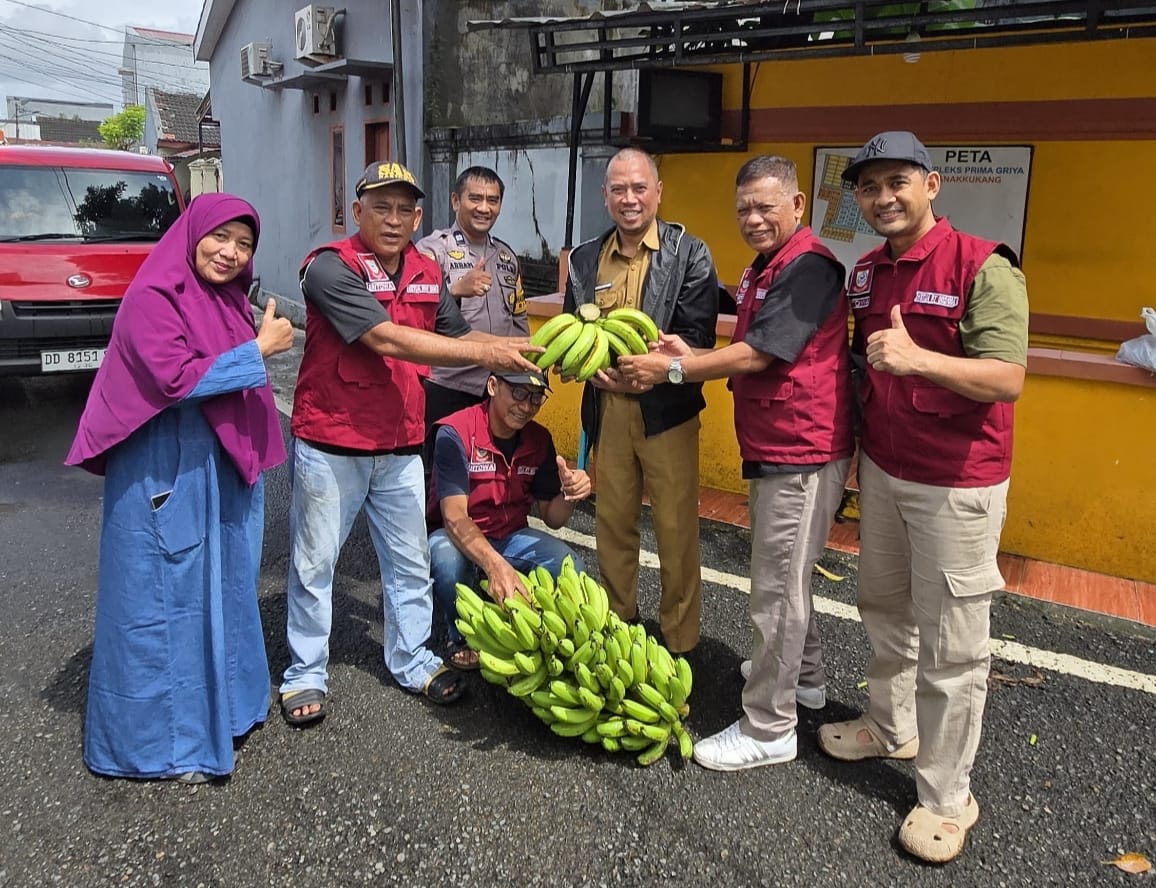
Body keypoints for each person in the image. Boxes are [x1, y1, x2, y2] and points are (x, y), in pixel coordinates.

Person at [816, 131, 1028, 863]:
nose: (883, 198)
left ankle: (946, 794)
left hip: (957, 484)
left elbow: (1006, 378)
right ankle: (889, 724)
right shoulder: (867, 273)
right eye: (870, 188)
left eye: (898, 182)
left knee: (954, 644)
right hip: (884, 469)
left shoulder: (984, 266)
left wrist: (918, 359)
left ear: (932, 184)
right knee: (885, 608)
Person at [280, 161, 542, 725]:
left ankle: (412, 658)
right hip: (334, 444)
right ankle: (304, 672)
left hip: (400, 443)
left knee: (407, 561)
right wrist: (488, 353)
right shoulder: (329, 268)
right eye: (381, 207)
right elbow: (385, 338)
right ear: (358, 212)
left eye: (404, 209)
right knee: (314, 563)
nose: (394, 219)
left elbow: (461, 333)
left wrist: (529, 352)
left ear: (419, 215)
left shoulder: (425, 269)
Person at [618, 155, 854, 770]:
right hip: (778, 443)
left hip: (801, 448)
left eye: (765, 207)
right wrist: (686, 350)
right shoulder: (768, 267)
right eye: (743, 208)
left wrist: (673, 366)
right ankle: (803, 680)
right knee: (790, 576)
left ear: (797, 206)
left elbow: (758, 356)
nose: (752, 218)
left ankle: (768, 726)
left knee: (775, 591)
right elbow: (742, 345)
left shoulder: (808, 269)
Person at [65, 193, 295, 783]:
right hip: (163, 466)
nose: (230, 252)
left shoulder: (225, 298)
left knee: (225, 587)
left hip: (216, 461)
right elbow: (175, 378)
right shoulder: (153, 295)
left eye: (244, 244)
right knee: (164, 601)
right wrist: (259, 350)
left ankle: (229, 713)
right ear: (192, 233)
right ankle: (164, 747)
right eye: (221, 237)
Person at [562, 147, 719, 656]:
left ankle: (679, 643)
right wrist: (591, 370)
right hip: (607, 410)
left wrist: (655, 373)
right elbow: (572, 334)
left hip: (667, 413)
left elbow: (698, 339)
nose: (629, 199)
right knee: (612, 526)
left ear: (657, 192)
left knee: (676, 533)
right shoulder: (584, 258)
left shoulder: (690, 253)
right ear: (605, 196)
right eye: (618, 190)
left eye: (639, 188)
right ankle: (617, 631)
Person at [427, 369, 592, 669]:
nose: (527, 405)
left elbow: (552, 518)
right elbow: (453, 517)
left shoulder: (539, 439)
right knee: (446, 561)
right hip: (458, 537)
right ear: (492, 385)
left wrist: (571, 495)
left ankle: (538, 630)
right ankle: (461, 636)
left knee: (572, 568)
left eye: (536, 397)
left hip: (510, 536)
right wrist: (495, 565)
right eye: (518, 392)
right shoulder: (455, 432)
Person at [416, 167, 528, 449]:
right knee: (438, 477)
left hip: (497, 390)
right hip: (447, 387)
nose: (484, 208)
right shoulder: (432, 252)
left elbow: (519, 318)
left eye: (493, 200)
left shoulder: (506, 256)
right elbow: (414, 320)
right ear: (456, 201)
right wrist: (455, 291)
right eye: (475, 198)